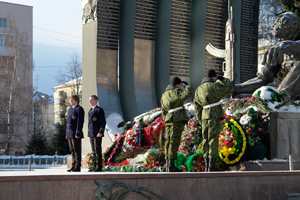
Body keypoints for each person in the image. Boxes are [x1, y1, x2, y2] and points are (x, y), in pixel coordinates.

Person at [234, 12, 300, 99]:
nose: (276, 26)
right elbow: (262, 79)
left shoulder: (290, 45)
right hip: (283, 90)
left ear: (295, 27)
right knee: (239, 97)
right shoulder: (278, 49)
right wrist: (234, 88)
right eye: (276, 22)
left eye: (282, 23)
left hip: (287, 94)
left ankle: (279, 97)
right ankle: (276, 97)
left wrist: (292, 45)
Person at [194, 70, 233, 172]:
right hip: (214, 115)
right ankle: (212, 166)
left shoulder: (199, 89)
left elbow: (197, 106)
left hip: (204, 116)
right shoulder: (214, 86)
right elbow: (229, 88)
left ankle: (207, 165)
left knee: (206, 140)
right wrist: (223, 79)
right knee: (213, 139)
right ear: (214, 77)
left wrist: (200, 118)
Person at [161, 77, 193, 172]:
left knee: (168, 141)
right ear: (178, 84)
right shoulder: (177, 92)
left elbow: (163, 110)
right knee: (174, 141)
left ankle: (167, 163)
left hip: (168, 119)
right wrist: (186, 85)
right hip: (176, 119)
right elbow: (188, 92)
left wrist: (166, 119)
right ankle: (171, 165)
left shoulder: (164, 95)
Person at [66, 95, 85, 172]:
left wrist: (78, 132)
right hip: (70, 133)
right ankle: (73, 165)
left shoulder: (79, 109)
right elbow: (68, 122)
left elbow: (80, 122)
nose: (71, 101)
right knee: (72, 150)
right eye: (70, 100)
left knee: (77, 150)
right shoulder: (70, 109)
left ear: (76, 100)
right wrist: (67, 133)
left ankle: (77, 166)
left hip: (75, 133)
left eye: (72, 100)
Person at [88, 95, 106, 172]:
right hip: (91, 133)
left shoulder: (99, 110)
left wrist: (101, 132)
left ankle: (99, 166)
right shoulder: (90, 110)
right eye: (89, 100)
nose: (90, 102)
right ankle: (94, 165)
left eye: (91, 100)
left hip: (97, 133)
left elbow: (103, 122)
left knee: (97, 150)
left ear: (96, 100)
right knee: (93, 150)